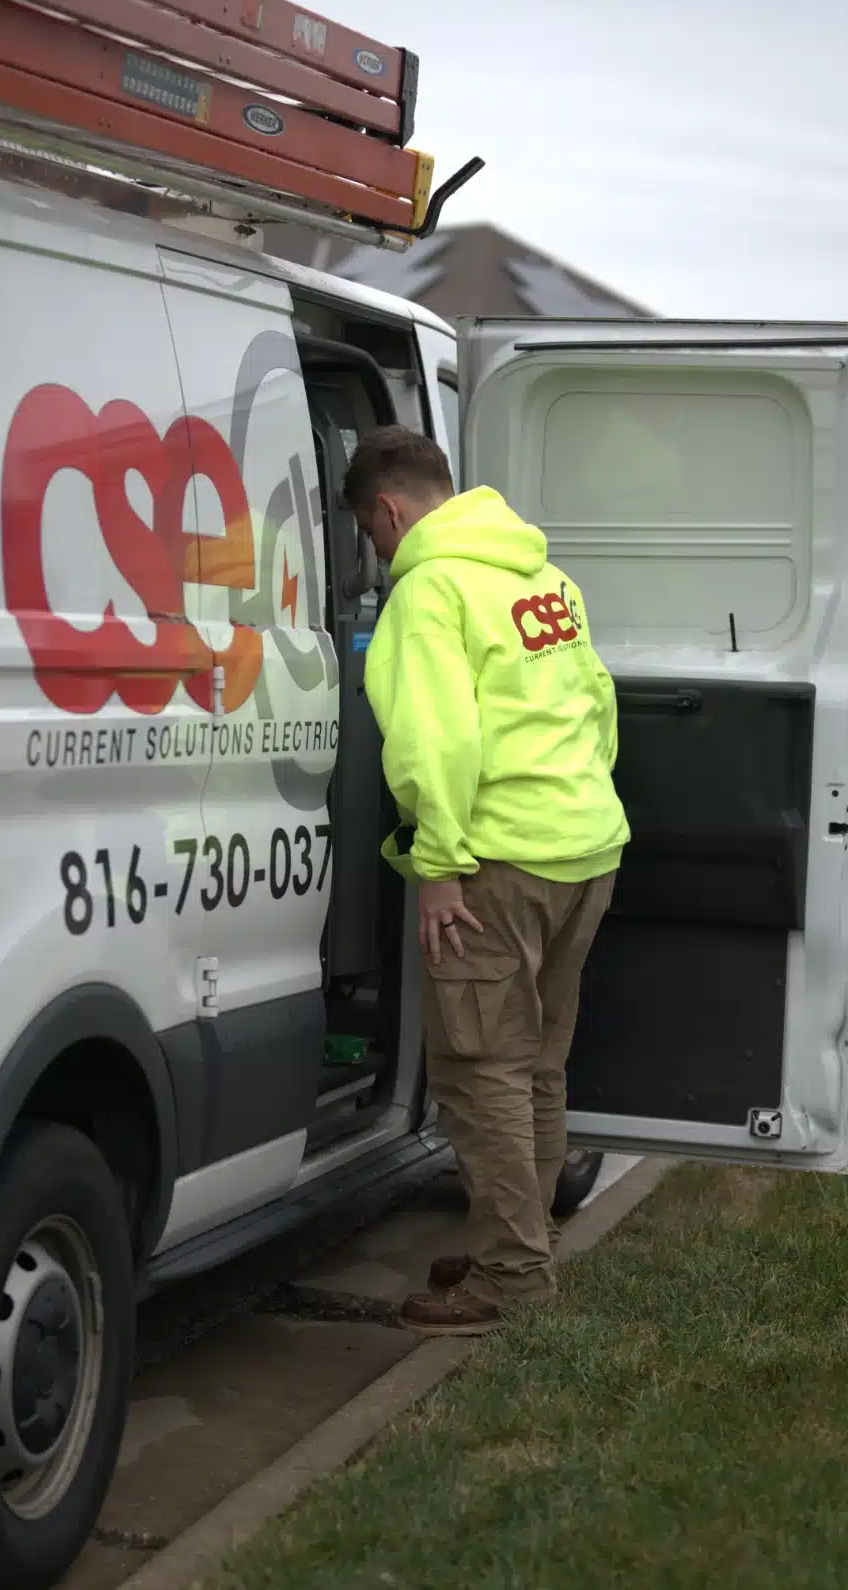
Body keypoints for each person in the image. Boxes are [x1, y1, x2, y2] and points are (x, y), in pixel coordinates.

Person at [344, 425, 631, 1337]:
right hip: (585, 849)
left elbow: (436, 739)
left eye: (372, 535)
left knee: (481, 1072)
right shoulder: (545, 581)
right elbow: (598, 706)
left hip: (497, 861)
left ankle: (511, 1276)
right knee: (538, 1065)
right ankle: (522, 1239)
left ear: (388, 512)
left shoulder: (429, 591)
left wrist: (438, 864)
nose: (379, 554)